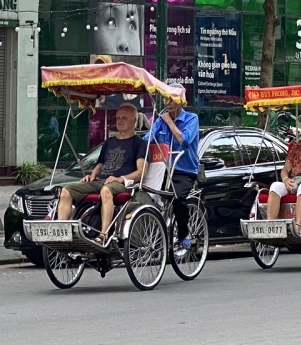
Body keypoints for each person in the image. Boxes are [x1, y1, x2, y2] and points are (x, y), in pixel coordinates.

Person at [57, 99, 146, 239]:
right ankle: (61, 233)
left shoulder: (140, 144)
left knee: (106, 190)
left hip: (122, 183)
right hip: (101, 180)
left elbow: (141, 172)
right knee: (66, 190)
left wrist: (120, 179)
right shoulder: (109, 142)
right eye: (117, 118)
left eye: (124, 118)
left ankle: (103, 234)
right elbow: (99, 164)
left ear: (134, 120)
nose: (120, 121)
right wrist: (91, 176)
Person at [147, 96, 200, 247]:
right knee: (144, 193)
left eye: (171, 100)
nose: (167, 103)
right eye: (165, 100)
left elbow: (184, 141)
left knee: (177, 197)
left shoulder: (191, 119)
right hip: (162, 170)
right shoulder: (159, 121)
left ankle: (184, 235)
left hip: (184, 171)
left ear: (181, 101)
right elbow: (148, 139)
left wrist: (170, 122)